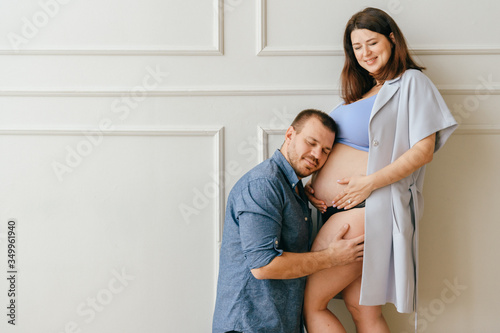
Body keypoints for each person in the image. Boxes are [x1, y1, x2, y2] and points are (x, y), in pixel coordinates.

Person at [303, 7, 458, 333]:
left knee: (311, 304)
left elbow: (423, 150)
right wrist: (313, 187)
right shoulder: (363, 92)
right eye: (356, 48)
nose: (365, 53)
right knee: (363, 311)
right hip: (341, 209)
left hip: (366, 209)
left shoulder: (412, 82)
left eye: (371, 43)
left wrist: (368, 183)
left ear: (391, 39)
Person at [212, 109, 365, 333]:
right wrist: (332, 257)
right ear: (290, 134)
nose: (316, 155)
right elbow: (264, 266)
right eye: (311, 142)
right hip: (247, 327)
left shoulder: (294, 190)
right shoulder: (263, 185)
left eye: (325, 150)